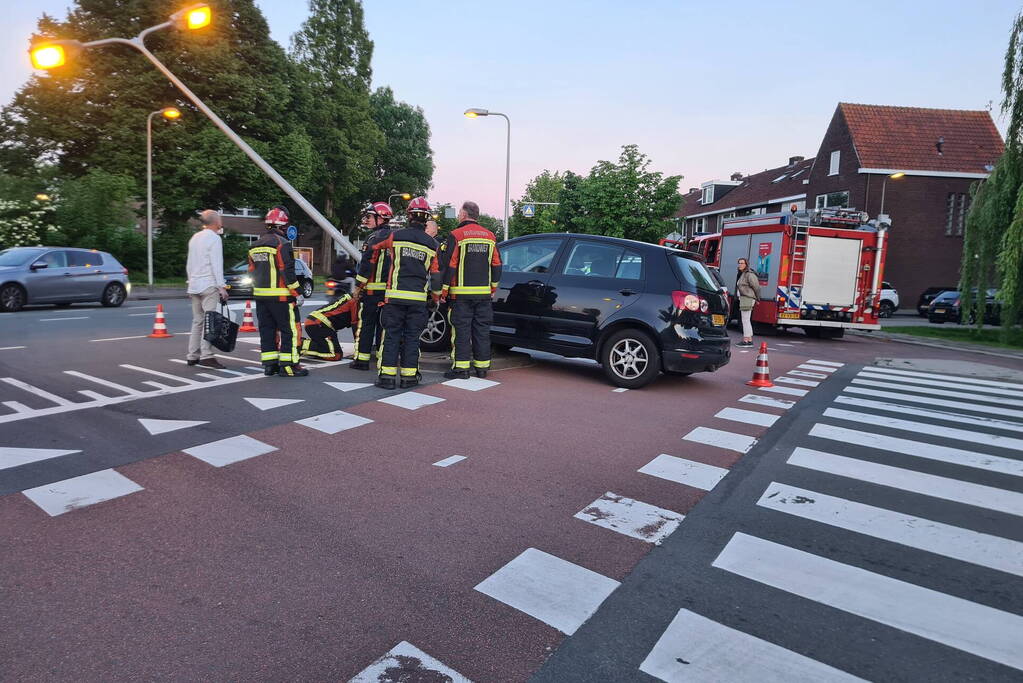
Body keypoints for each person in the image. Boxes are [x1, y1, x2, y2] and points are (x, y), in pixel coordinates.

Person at [366, 196, 442, 389]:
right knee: (412, 338)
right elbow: (435, 276)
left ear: (409, 216)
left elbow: (374, 248)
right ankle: (409, 378)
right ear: (427, 219)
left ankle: (387, 378)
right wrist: (435, 297)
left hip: (394, 298)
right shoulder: (432, 244)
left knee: (391, 336)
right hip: (417, 301)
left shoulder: (396, 236)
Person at [440, 201, 502, 379]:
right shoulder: (490, 236)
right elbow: (497, 264)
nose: (458, 215)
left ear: (465, 214)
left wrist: (444, 291)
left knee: (461, 331)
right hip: (483, 295)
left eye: (459, 212)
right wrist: (492, 288)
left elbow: (450, 265)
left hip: (461, 295)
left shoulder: (457, 235)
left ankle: (461, 369)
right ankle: (482, 368)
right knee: (482, 330)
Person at [249, 205, 308, 377]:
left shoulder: (255, 245)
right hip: (282, 298)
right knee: (289, 331)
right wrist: (298, 293)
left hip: (261, 297)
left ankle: (270, 365)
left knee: (267, 331)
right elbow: (287, 271)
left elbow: (251, 271)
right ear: (283, 226)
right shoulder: (282, 244)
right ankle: (288, 366)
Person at [351, 202, 395, 370]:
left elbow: (366, 265)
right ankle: (382, 360)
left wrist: (358, 287)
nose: (366, 219)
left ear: (380, 218)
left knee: (367, 325)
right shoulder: (394, 237)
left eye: (369, 217)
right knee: (383, 328)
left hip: (371, 292)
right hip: (388, 293)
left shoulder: (373, 239)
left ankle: (361, 361)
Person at [185, 209, 228, 369]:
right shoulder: (214, 239)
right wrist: (222, 286)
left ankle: (192, 355)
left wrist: (190, 283)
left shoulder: (195, 238)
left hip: (195, 285)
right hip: (209, 284)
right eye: (220, 219)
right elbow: (216, 264)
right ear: (216, 222)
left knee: (197, 321)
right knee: (211, 321)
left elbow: (190, 263)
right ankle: (207, 355)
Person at [301, 294, 358, 361]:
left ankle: (318, 344)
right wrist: (359, 350)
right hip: (318, 324)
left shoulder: (351, 298)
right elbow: (356, 326)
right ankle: (300, 345)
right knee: (336, 355)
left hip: (318, 323)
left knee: (331, 351)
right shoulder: (354, 301)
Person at [736, 257, 761, 347]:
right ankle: (749, 339)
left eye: (742, 263)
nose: (740, 265)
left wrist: (758, 298)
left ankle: (746, 340)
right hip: (744, 298)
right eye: (739, 263)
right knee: (746, 320)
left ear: (746, 264)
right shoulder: (743, 274)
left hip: (748, 298)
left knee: (745, 320)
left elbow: (757, 287)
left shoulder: (749, 274)